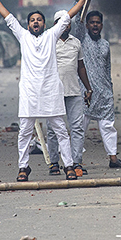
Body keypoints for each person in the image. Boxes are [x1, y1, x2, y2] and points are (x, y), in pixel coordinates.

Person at [0, 0, 91, 181]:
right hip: (30, 93)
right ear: (28, 26)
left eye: (39, 20)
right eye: (32, 20)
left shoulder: (51, 36)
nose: (36, 22)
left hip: (51, 91)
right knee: (25, 132)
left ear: (45, 24)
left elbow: (69, 15)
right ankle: (23, 167)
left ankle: (68, 165)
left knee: (61, 129)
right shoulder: (23, 36)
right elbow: (9, 19)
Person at [72, 0, 121, 170]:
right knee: (79, 129)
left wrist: (110, 91)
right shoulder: (81, 40)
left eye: (98, 22)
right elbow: (77, 22)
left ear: (101, 25)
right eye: (92, 22)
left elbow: (108, 69)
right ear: (87, 25)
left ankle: (113, 159)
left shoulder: (105, 45)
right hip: (84, 93)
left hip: (104, 93)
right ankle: (76, 161)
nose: (95, 25)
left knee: (108, 127)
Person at [46, 10, 94, 177]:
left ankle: (77, 162)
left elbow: (81, 67)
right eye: (61, 22)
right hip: (53, 92)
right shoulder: (48, 41)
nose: (65, 25)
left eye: (67, 22)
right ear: (55, 24)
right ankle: (54, 162)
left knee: (77, 128)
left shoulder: (76, 43)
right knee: (53, 129)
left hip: (74, 91)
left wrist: (88, 88)